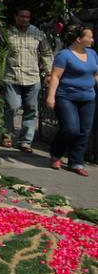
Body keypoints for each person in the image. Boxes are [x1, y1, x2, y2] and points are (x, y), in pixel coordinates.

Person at [46, 25, 98, 176]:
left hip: (88, 98)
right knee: (70, 129)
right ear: (79, 39)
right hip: (66, 97)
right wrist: (51, 96)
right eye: (90, 37)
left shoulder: (93, 54)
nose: (93, 39)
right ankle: (56, 154)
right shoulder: (64, 55)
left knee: (84, 131)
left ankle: (76, 162)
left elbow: (95, 74)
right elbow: (55, 76)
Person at [2, 6, 53, 153]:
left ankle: (25, 141)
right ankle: (8, 134)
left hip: (32, 77)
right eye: (22, 16)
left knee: (31, 109)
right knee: (12, 106)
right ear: (15, 17)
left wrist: (49, 72)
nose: (25, 19)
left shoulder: (37, 33)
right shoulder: (7, 33)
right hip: (11, 77)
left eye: (27, 17)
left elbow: (46, 53)